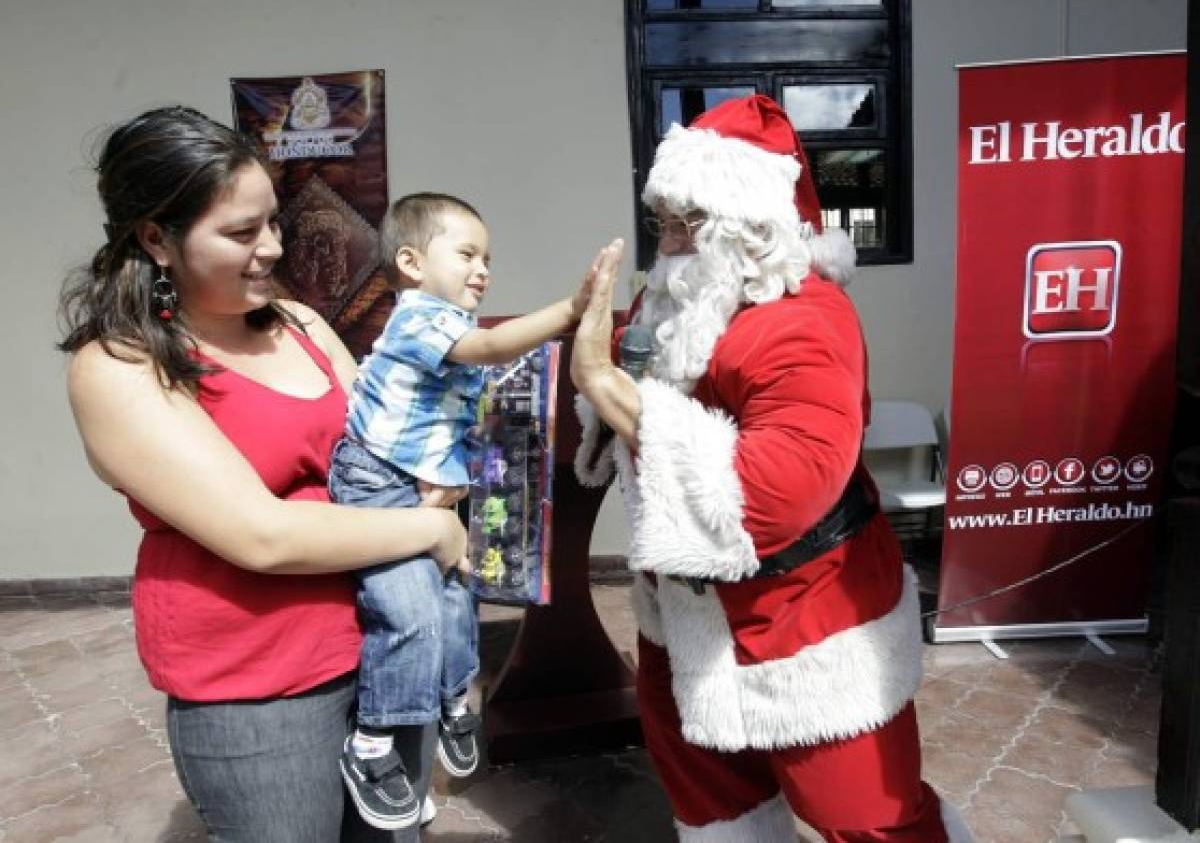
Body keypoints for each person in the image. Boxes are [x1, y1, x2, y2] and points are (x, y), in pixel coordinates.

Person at [59, 106, 470, 843]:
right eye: (241, 233)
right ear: (156, 237)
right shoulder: (120, 367)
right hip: (259, 685)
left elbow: (376, 450)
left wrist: (439, 472)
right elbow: (261, 535)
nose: (271, 248)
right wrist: (433, 524)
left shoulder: (301, 325)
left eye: (272, 223)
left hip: (383, 648)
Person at [570, 95, 973, 841]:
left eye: (689, 223)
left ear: (748, 228)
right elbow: (618, 384)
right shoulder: (677, 308)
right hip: (685, 623)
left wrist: (608, 389)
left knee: (865, 819)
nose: (669, 241)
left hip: (808, 626)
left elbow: (774, 492)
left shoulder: (805, 323)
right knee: (717, 808)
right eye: (664, 218)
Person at [330, 191, 617, 830]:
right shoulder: (419, 318)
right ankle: (372, 742)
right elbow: (491, 350)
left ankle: (454, 699)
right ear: (410, 262)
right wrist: (570, 310)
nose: (483, 269)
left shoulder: (445, 327)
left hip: (421, 485)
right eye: (466, 254)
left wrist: (453, 479)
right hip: (376, 486)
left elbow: (463, 408)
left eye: (487, 257)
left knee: (460, 595)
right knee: (408, 612)